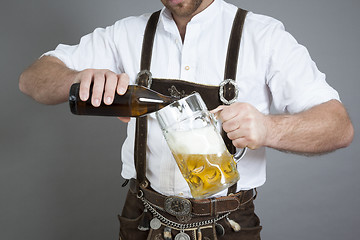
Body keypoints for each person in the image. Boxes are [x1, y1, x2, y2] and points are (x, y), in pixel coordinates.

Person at [19, 0, 354, 239]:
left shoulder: (263, 36)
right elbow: (32, 80)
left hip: (229, 225)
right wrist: (78, 78)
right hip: (141, 219)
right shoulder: (125, 34)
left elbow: (338, 126)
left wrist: (269, 128)